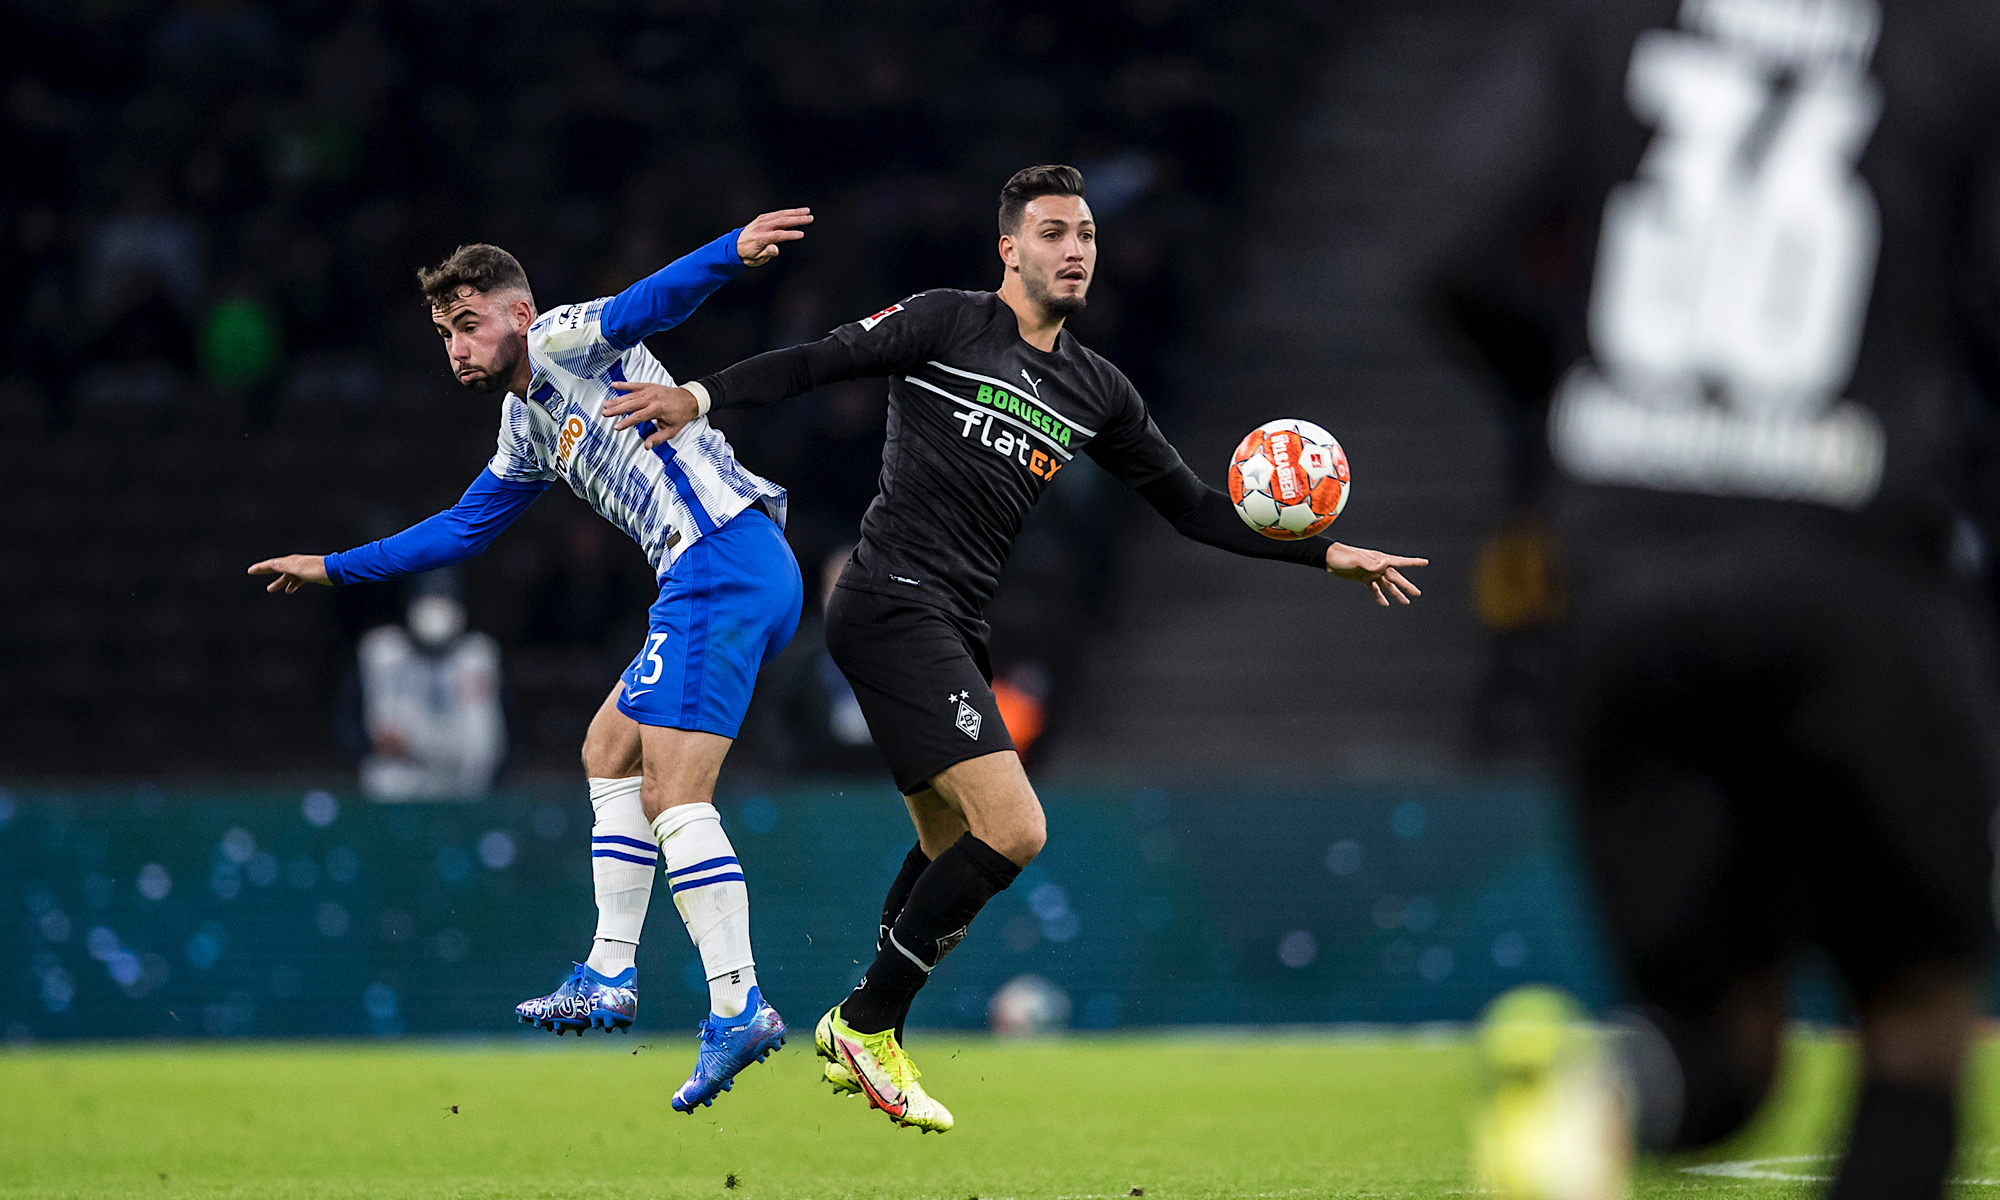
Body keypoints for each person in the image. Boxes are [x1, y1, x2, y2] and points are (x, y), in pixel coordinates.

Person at [603, 164, 1429, 1132]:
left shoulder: (1096, 389)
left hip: (953, 619)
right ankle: (866, 1023)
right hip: (888, 599)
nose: (1074, 248)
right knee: (1016, 828)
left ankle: (865, 1024)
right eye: (1051, 232)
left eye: (1083, 232)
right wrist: (698, 395)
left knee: (949, 842)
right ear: (1009, 247)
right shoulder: (946, 321)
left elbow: (1193, 508)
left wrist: (1323, 552)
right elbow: (818, 360)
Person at [1432, 1, 2000, 1197]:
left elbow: (1452, 260)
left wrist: (1587, 421)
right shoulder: (1948, 38)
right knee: (1912, 1015)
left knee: (1717, 1052)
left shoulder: (1597, 27)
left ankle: (1593, 1106)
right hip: (1849, 568)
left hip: (1627, 583)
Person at [248, 209, 813, 1113]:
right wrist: (337, 568)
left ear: (519, 311)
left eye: (469, 326)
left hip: (720, 558)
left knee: (675, 796)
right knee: (606, 750)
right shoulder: (523, 427)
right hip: (719, 570)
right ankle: (608, 971)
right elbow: (465, 528)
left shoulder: (560, 341)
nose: (457, 350)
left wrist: (729, 252)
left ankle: (738, 1003)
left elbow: (643, 306)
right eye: (444, 336)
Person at [353, 575, 505, 801]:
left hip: (462, 787)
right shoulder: (382, 652)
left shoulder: (477, 657)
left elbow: (484, 748)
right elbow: (364, 730)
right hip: (397, 787)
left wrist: (412, 746)